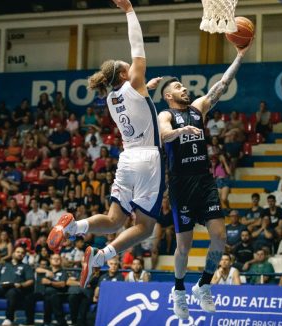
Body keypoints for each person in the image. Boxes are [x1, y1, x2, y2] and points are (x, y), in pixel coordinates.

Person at [47, 0, 165, 290]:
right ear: (125, 75)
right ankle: (101, 256)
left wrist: (146, 91)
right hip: (149, 159)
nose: (133, 64)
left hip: (127, 159)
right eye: (128, 66)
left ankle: (73, 227)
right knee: (145, 228)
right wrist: (129, 11)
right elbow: (137, 45)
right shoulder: (133, 81)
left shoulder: (112, 99)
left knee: (114, 220)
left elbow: (136, 99)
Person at [158, 38, 253, 319]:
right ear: (168, 96)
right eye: (177, 87)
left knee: (220, 237)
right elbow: (163, 135)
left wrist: (240, 55)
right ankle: (178, 290)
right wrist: (181, 132)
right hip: (181, 185)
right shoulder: (166, 114)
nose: (184, 88)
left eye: (183, 86)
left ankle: (203, 285)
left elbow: (221, 85)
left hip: (204, 180)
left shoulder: (198, 108)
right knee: (184, 247)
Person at [0, 246, 35, 326]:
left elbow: (31, 281)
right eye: (18, 252)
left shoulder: (26, 267)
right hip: (1, 288)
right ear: (13, 253)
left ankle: (9, 318)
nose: (20, 254)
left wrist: (21, 285)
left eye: (22, 253)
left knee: (12, 292)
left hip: (15, 289)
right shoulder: (4, 265)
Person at [40, 254, 68, 326]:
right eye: (54, 258)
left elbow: (62, 284)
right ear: (50, 260)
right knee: (30, 297)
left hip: (59, 294)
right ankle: (30, 323)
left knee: (51, 294)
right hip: (44, 294)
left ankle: (47, 322)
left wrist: (50, 282)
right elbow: (37, 269)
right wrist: (46, 271)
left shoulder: (63, 272)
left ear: (61, 261)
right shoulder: (46, 270)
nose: (56, 260)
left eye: (58, 259)